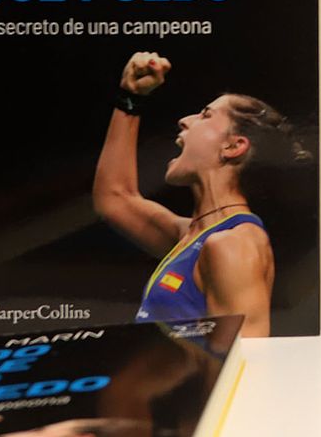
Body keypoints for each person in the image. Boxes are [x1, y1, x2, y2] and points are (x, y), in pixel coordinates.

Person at [92, 51, 305, 336]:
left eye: (205, 115)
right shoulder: (192, 236)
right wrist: (130, 97)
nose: (184, 120)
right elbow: (114, 198)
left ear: (232, 146)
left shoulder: (232, 246)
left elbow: (243, 364)